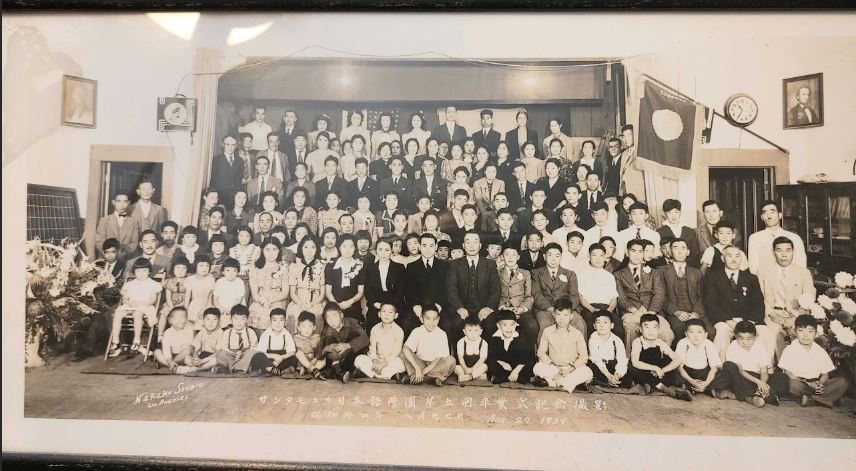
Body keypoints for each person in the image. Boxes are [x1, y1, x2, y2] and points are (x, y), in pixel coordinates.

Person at [703, 245, 773, 363]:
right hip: (725, 320)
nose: (734, 259)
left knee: (765, 333)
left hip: (749, 320)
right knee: (722, 332)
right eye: (729, 256)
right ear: (722, 258)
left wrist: (750, 322)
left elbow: (758, 303)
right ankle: (721, 367)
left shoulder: (751, 278)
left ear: (741, 259)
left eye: (737, 256)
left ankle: (767, 367)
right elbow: (710, 303)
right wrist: (728, 320)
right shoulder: (712, 277)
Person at [758, 236, 816, 360]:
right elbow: (758, 298)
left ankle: (803, 369)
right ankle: (783, 371)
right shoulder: (763, 271)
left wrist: (795, 316)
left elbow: (809, 298)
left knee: (802, 334)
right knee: (774, 335)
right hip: (772, 315)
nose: (784, 255)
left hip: (797, 314)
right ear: (773, 252)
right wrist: (773, 314)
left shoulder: (803, 273)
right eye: (779, 250)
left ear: (793, 252)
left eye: (788, 250)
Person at [779, 315, 849, 407]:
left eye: (810, 331)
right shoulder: (790, 349)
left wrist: (820, 384)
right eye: (801, 331)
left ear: (816, 334)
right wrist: (808, 384)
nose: (805, 335)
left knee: (842, 382)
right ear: (795, 332)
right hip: (801, 382)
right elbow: (788, 373)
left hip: (817, 382)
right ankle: (828, 398)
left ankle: (813, 400)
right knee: (793, 385)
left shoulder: (820, 351)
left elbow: (825, 374)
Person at [445, 232, 501, 345]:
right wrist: (459, 307)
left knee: (490, 323)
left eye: (475, 242)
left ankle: (487, 359)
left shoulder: (490, 264)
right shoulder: (454, 264)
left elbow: (496, 290)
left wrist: (488, 308)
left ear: (480, 246)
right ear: (463, 245)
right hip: (462, 307)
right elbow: (451, 289)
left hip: (483, 307)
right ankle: (458, 358)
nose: (471, 246)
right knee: (456, 323)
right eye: (468, 242)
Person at [616, 239, 674, 348]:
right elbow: (621, 297)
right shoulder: (618, 274)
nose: (637, 255)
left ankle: (662, 361)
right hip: (631, 313)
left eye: (640, 251)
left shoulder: (654, 272)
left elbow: (659, 294)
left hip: (652, 311)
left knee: (666, 333)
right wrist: (634, 310)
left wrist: (651, 312)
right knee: (631, 329)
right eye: (633, 251)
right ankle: (631, 360)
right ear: (627, 252)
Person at [718, 320, 787, 407]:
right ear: (735, 336)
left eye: (749, 339)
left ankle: (757, 394)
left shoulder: (760, 348)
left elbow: (764, 372)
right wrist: (758, 382)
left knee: (782, 377)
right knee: (728, 365)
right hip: (742, 377)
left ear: (755, 337)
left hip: (757, 378)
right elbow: (741, 371)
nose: (745, 342)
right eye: (741, 338)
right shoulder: (732, 347)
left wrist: (762, 384)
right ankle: (754, 397)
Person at [653, 238, 709, 343]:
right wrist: (676, 312)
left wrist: (696, 313)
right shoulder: (660, 271)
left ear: (688, 252)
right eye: (676, 248)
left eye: (683, 248)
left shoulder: (697, 273)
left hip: (695, 311)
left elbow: (704, 295)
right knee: (679, 331)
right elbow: (660, 296)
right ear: (670, 251)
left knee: (710, 330)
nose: (680, 251)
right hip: (674, 313)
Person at [531, 299, 593, 393]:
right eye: (558, 315)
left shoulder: (577, 333)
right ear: (553, 315)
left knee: (588, 372)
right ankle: (567, 382)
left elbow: (584, 356)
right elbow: (541, 353)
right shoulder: (547, 331)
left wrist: (569, 370)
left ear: (571, 316)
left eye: (565, 315)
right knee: (537, 367)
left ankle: (554, 382)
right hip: (554, 368)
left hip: (571, 369)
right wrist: (553, 366)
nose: (561, 319)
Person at [627, 313, 693, 401]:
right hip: (645, 370)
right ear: (641, 330)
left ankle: (651, 386)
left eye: (654, 327)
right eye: (647, 327)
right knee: (630, 366)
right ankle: (666, 389)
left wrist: (662, 370)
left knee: (671, 362)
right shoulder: (638, 342)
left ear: (658, 330)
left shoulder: (660, 342)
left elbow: (678, 359)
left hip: (659, 374)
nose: (651, 331)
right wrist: (654, 368)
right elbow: (635, 362)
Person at [107, 258, 163, 357]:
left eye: (144, 271)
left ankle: (136, 341)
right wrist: (128, 302)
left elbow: (153, 300)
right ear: (134, 272)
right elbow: (124, 299)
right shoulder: (130, 284)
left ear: (149, 271)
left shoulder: (152, 284)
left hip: (145, 306)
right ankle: (115, 341)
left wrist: (141, 303)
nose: (141, 273)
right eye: (138, 271)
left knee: (138, 314)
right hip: (130, 305)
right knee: (118, 314)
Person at [530, 245, 585, 340]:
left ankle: (580, 353)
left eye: (557, 256)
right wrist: (550, 309)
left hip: (566, 309)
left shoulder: (570, 274)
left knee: (579, 322)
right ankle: (543, 353)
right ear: (544, 257)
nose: (553, 259)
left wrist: (567, 310)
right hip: (545, 309)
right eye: (550, 255)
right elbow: (537, 294)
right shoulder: (536, 273)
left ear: (561, 257)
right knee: (545, 324)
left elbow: (574, 295)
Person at [403, 233, 449, 335]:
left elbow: (446, 289)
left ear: (436, 247)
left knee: (448, 325)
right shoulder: (411, 267)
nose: (428, 249)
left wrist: (438, 307)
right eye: (424, 245)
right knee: (406, 323)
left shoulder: (445, 266)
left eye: (431, 246)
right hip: (419, 308)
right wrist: (416, 307)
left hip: (438, 307)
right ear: (419, 246)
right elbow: (409, 291)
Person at [747, 200, 807, 275]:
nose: (769, 216)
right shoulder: (754, 238)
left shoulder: (794, 238)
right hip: (764, 282)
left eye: (772, 212)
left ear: (780, 215)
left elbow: (801, 266)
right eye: (765, 213)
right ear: (762, 217)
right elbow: (753, 268)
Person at [491, 246, 538, 340]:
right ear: (502, 257)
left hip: (520, 309)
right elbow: (494, 294)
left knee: (532, 326)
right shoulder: (497, 272)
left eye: (513, 255)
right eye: (507, 255)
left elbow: (529, 296)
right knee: (489, 324)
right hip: (502, 309)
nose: (510, 257)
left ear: (518, 257)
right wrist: (503, 307)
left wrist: (521, 308)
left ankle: (527, 353)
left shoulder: (525, 273)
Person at [353, 303, 407, 380]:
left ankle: (370, 374)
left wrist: (383, 364)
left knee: (400, 364)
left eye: (390, 312)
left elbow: (396, 352)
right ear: (379, 314)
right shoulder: (375, 329)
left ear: (396, 315)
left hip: (390, 361)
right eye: (384, 311)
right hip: (377, 360)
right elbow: (372, 349)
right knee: (359, 359)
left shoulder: (399, 331)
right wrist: (375, 361)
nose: (386, 315)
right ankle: (386, 376)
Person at [577, 243, 620, 339]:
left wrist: (609, 310)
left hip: (607, 308)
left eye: (601, 256)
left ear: (605, 257)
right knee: (590, 327)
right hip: (590, 308)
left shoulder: (609, 276)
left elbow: (614, 298)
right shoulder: (583, 274)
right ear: (589, 256)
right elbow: (580, 297)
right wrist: (592, 309)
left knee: (618, 328)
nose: (598, 259)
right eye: (594, 255)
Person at [319, 304, 370, 382]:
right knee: (329, 339)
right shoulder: (326, 330)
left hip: (349, 358)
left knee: (354, 335)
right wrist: (327, 348)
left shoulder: (352, 322)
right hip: (334, 358)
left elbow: (365, 339)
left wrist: (347, 345)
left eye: (334, 315)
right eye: (328, 317)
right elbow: (319, 352)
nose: (332, 320)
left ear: (341, 315)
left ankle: (336, 370)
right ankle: (337, 370)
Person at [675, 319, 724, 396]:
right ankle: (688, 387)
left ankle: (708, 387)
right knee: (674, 371)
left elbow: (714, 367)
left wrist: (706, 382)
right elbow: (679, 367)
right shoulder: (683, 343)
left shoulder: (708, 343)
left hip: (704, 373)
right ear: (686, 334)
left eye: (699, 332)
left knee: (720, 372)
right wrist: (691, 380)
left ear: (705, 334)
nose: (695, 335)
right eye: (691, 332)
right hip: (687, 372)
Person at [248, 237, 289, 330]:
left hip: (277, 300)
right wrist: (262, 301)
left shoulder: (283, 266)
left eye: (274, 249)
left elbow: (285, 292)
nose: (271, 253)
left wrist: (271, 301)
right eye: (267, 249)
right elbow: (254, 292)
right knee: (255, 311)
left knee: (275, 315)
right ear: (262, 250)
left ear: (279, 250)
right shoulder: (255, 267)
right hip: (260, 300)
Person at [325, 235, 366, 326]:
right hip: (334, 305)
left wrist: (349, 302)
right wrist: (337, 306)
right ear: (339, 247)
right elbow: (328, 292)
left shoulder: (360, 266)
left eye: (351, 246)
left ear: (355, 248)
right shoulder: (330, 267)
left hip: (353, 305)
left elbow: (361, 292)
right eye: (344, 246)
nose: (348, 250)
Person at [487, 310, 536, 384]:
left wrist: (517, 370)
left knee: (529, 365)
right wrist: (502, 363)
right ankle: (517, 378)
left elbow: (528, 357)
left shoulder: (521, 338)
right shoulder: (494, 338)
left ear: (516, 324)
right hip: (504, 368)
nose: (509, 328)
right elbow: (491, 356)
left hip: (518, 367)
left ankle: (505, 378)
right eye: (505, 325)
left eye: (512, 324)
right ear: (498, 325)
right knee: (491, 364)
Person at [587, 310, 632, 389]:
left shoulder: (617, 340)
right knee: (590, 366)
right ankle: (605, 382)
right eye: (598, 322)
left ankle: (611, 381)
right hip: (600, 367)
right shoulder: (593, 339)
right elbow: (596, 359)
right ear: (594, 326)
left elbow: (621, 359)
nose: (602, 325)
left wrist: (617, 374)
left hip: (612, 366)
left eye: (605, 322)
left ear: (612, 325)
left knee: (629, 369)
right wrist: (608, 375)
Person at [247, 308, 299, 375]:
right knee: (258, 356)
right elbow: (261, 352)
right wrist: (273, 356)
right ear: (270, 322)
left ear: (285, 322)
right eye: (274, 320)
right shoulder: (266, 334)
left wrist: (281, 357)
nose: (278, 323)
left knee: (293, 359)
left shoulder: (286, 334)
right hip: (269, 358)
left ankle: (273, 370)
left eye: (281, 320)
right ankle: (272, 369)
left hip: (281, 358)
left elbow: (292, 352)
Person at [212, 305, 258, 374]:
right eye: (235, 318)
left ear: (247, 320)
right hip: (231, 356)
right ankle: (240, 368)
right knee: (220, 354)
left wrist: (242, 354)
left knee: (252, 353)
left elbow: (254, 347)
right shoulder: (227, 332)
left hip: (244, 356)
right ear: (231, 320)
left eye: (242, 319)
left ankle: (230, 369)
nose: (239, 322)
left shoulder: (251, 332)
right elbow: (224, 347)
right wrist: (234, 354)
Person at [656, 199, 701, 268]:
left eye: (676, 212)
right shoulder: (659, 232)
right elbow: (659, 254)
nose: (673, 216)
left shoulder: (690, 231)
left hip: (688, 268)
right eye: (669, 213)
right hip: (667, 269)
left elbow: (694, 253)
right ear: (664, 214)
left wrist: (684, 266)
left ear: (680, 212)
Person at [95, 190, 140, 258]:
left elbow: (135, 243)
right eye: (118, 201)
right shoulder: (104, 221)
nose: (122, 205)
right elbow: (99, 241)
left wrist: (124, 253)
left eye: (125, 201)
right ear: (113, 202)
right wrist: (110, 254)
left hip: (126, 260)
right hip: (107, 259)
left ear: (129, 203)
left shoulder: (134, 222)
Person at [154, 307, 196, 373]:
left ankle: (172, 365)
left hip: (184, 355)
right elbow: (166, 349)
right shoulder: (168, 332)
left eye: (184, 317)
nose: (182, 320)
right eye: (178, 318)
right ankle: (171, 364)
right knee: (157, 352)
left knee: (188, 351)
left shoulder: (190, 329)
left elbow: (191, 345)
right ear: (171, 321)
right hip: (172, 355)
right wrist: (169, 360)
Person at [210, 136, 245, 210]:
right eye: (227, 144)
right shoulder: (217, 160)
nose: (230, 147)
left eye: (233, 145)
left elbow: (240, 180)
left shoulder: (240, 161)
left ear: (236, 146)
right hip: (221, 197)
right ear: (223, 145)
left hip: (235, 199)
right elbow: (213, 180)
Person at [183, 255, 215, 331]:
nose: (204, 268)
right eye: (201, 265)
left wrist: (203, 309)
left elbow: (207, 296)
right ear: (196, 266)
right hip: (194, 303)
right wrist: (185, 309)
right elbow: (187, 296)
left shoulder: (210, 278)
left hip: (207, 303)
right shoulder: (190, 279)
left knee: (204, 323)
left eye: (207, 266)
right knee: (190, 324)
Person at [454, 316, 489, 383]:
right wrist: (465, 368)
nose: (473, 334)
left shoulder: (483, 343)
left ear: (481, 331)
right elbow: (460, 357)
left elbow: (482, 359)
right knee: (455, 367)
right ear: (464, 331)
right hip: (464, 366)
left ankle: (468, 377)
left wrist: (473, 369)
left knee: (485, 366)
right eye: (469, 330)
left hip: (477, 366)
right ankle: (477, 376)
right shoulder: (461, 342)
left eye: (476, 330)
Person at [212, 258, 245, 329]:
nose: (231, 273)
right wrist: (220, 308)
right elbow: (215, 299)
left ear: (238, 272)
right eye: (228, 270)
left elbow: (239, 300)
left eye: (234, 271)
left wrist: (230, 309)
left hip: (234, 308)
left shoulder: (239, 282)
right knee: (218, 319)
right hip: (221, 308)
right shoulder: (220, 281)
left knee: (234, 320)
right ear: (223, 271)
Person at [189, 308, 224, 372]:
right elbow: (196, 349)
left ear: (219, 322)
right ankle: (206, 368)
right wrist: (195, 358)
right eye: (208, 319)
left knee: (215, 360)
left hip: (212, 356)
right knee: (187, 358)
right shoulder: (202, 331)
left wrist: (202, 361)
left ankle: (196, 369)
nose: (211, 322)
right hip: (202, 355)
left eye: (215, 319)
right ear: (203, 321)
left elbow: (218, 352)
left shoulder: (220, 332)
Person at [292, 311, 326, 377]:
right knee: (299, 353)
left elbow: (320, 351)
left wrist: (316, 358)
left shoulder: (317, 337)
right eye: (304, 326)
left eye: (310, 326)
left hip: (314, 360)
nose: (307, 329)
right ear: (299, 328)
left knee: (323, 359)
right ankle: (312, 369)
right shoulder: (295, 338)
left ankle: (311, 369)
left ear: (314, 328)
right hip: (302, 362)